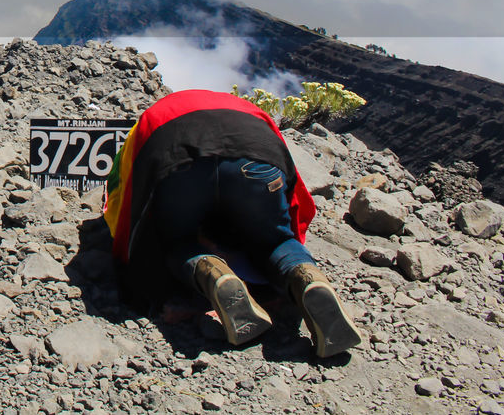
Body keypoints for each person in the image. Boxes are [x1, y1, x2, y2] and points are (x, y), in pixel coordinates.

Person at [103, 88, 362, 358]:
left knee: (176, 242)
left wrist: (131, 260)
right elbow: (292, 192)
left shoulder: (144, 123)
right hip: (258, 155)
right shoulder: (245, 108)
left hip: (179, 159)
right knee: (274, 240)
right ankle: (306, 276)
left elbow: (131, 196)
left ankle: (212, 272)